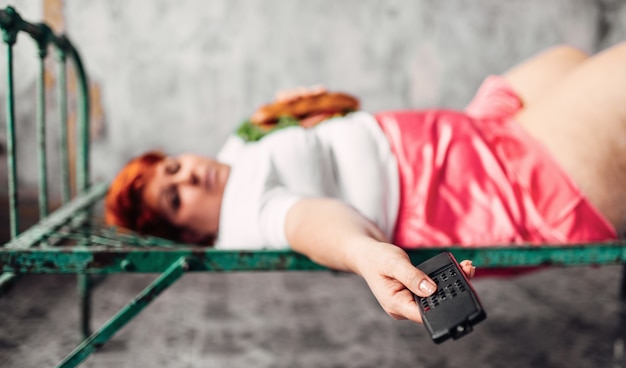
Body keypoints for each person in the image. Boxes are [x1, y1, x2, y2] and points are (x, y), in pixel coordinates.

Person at [104, 43, 626, 324]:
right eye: (176, 197)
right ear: (192, 236)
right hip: (489, 186)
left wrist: (307, 111)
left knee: (567, 59)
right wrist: (361, 252)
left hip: (464, 138)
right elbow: (306, 221)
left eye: (173, 166)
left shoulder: (234, 152)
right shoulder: (245, 217)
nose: (189, 175)